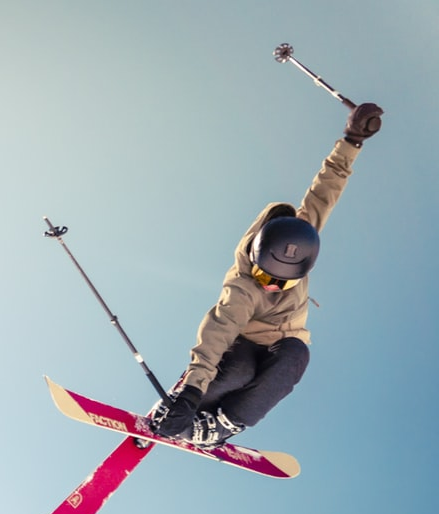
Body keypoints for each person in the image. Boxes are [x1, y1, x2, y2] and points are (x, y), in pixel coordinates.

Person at [152, 101, 384, 447]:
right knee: (238, 372)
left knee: (296, 358)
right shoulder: (243, 286)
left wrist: (351, 140)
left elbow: (326, 190)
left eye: (284, 282)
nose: (274, 286)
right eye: (268, 278)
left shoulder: (303, 234)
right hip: (243, 342)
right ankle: (185, 409)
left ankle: (221, 425)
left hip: (283, 344)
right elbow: (218, 332)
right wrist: (190, 392)